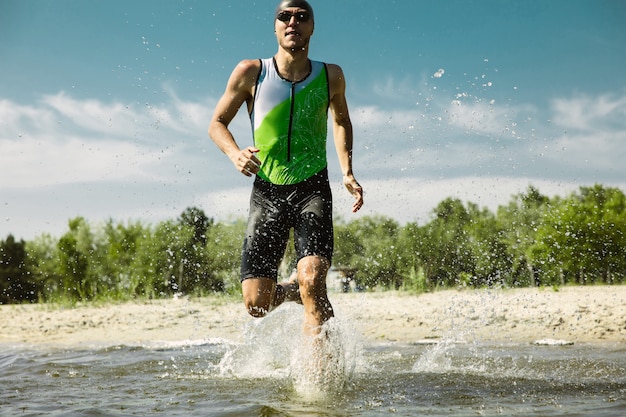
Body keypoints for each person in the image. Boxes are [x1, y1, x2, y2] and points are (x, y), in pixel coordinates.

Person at [208, 0, 363, 337]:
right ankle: (293, 290)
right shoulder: (252, 72)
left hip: (312, 187)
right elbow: (217, 123)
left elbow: (341, 122)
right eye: (285, 16)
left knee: (313, 279)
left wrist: (347, 171)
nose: (293, 22)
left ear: (312, 27)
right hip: (267, 191)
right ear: (275, 26)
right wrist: (235, 153)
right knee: (256, 305)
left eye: (302, 16)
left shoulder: (330, 75)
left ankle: (317, 384)